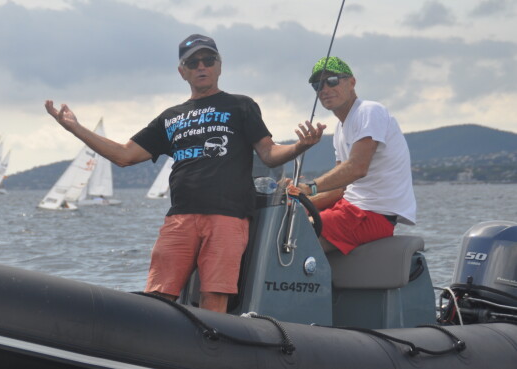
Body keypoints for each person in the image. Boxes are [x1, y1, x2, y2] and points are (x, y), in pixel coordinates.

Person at [45, 33, 325, 312]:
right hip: (180, 218)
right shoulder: (170, 117)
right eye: (193, 63)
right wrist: (75, 128)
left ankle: (212, 341)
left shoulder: (241, 106)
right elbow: (124, 155)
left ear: (219, 66)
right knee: (157, 296)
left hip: (228, 216)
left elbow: (269, 153)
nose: (201, 66)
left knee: (215, 296)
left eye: (208, 60)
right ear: (182, 72)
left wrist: (300, 145)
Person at [291, 56, 416, 255]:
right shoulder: (340, 129)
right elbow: (339, 188)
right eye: (318, 85)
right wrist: (295, 200)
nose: (324, 89)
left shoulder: (369, 111)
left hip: (372, 215)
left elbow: (357, 168)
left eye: (332, 81)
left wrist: (309, 187)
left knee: (293, 232)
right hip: (351, 207)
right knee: (286, 218)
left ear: (352, 82)